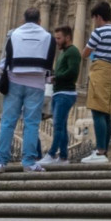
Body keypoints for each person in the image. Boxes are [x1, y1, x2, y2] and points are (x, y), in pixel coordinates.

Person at [0, 7, 55, 173]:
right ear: (39, 21)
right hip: (36, 84)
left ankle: (0, 162)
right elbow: (49, 65)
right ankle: (28, 162)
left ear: (23, 19)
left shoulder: (14, 34)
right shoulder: (48, 37)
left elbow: (7, 58)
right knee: (31, 124)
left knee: (7, 122)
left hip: (14, 81)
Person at [81, 1, 111, 163]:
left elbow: (85, 53)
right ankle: (104, 150)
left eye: (94, 18)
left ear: (98, 17)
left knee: (97, 110)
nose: (94, 22)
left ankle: (100, 152)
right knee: (106, 112)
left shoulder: (99, 32)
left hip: (100, 70)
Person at [38, 25, 80, 166]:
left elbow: (73, 72)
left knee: (57, 125)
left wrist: (56, 77)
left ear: (67, 38)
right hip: (59, 92)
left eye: (59, 38)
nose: (56, 41)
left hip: (65, 93)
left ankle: (51, 154)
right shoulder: (64, 53)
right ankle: (63, 157)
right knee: (61, 125)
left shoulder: (73, 52)